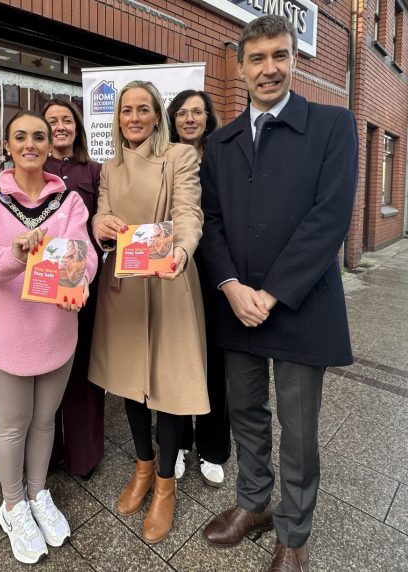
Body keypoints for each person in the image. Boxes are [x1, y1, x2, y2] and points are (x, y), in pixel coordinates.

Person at [200, 15, 358, 572]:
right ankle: (253, 504)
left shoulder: (333, 126)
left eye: (280, 56)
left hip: (300, 305)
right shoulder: (220, 143)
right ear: (240, 67)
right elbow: (210, 223)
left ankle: (293, 532)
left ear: (296, 60)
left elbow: (330, 217)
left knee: (299, 428)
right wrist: (230, 286)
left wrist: (271, 293)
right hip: (236, 306)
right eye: (258, 58)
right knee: (245, 413)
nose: (270, 68)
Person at [0, 111, 98, 564]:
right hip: (8, 335)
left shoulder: (70, 202)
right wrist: (12, 254)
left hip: (57, 331)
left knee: (44, 421)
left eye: (39, 136)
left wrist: (83, 278)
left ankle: (38, 494)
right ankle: (13, 504)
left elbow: (85, 255)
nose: (32, 143)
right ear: (9, 146)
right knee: (13, 425)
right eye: (22, 137)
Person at [89, 80, 209, 544]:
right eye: (126, 111)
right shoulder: (109, 166)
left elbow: (188, 212)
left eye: (143, 109)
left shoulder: (179, 156)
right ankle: (141, 466)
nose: (134, 118)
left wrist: (182, 249)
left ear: (157, 115)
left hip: (168, 279)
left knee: (168, 383)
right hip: (125, 282)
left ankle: (164, 484)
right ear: (117, 118)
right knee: (130, 380)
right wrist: (99, 223)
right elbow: (101, 214)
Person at [165, 90, 230, 487]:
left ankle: (213, 447)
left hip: (215, 267)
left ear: (208, 118)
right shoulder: (164, 158)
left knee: (213, 361)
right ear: (172, 119)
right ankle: (177, 443)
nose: (190, 119)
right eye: (182, 113)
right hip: (173, 267)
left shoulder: (222, 156)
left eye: (198, 112)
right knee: (174, 358)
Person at [42, 98, 105, 479]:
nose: (60, 126)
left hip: (85, 287)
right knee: (47, 370)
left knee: (83, 371)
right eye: (52, 121)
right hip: (43, 289)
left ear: (78, 127)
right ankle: (47, 455)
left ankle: (84, 457)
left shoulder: (95, 172)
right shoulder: (29, 170)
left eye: (67, 120)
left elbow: (102, 224)